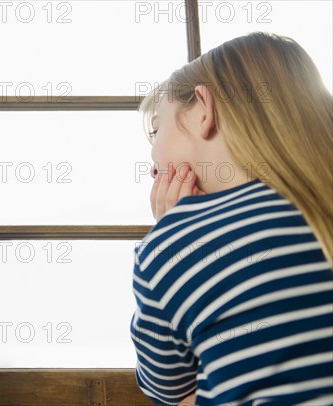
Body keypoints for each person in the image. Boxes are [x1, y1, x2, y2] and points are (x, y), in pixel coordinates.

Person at [131, 32, 333, 405]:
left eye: (157, 129)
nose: (153, 156)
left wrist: (175, 230)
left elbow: (172, 393)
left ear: (202, 110)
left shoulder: (173, 246)